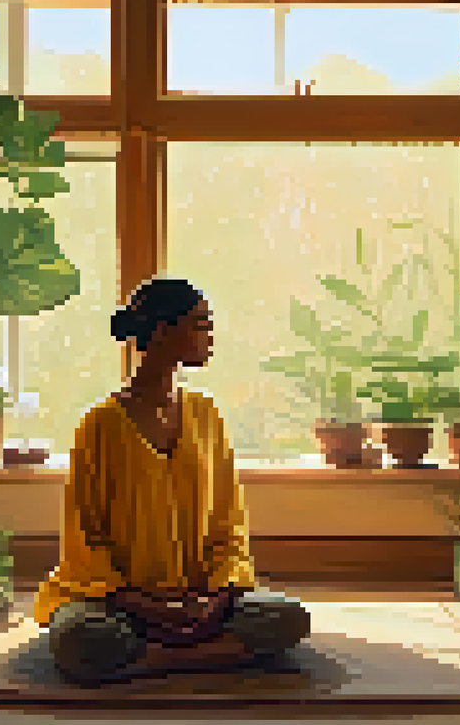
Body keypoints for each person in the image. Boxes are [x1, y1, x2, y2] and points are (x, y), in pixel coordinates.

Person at [33, 277, 312, 686]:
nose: (210, 334)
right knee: (80, 637)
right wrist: (147, 606)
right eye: (200, 323)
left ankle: (152, 660)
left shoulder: (207, 414)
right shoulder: (100, 424)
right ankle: (210, 655)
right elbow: (84, 538)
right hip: (119, 602)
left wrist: (218, 597)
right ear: (163, 331)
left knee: (289, 617)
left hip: (201, 598)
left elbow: (228, 523)